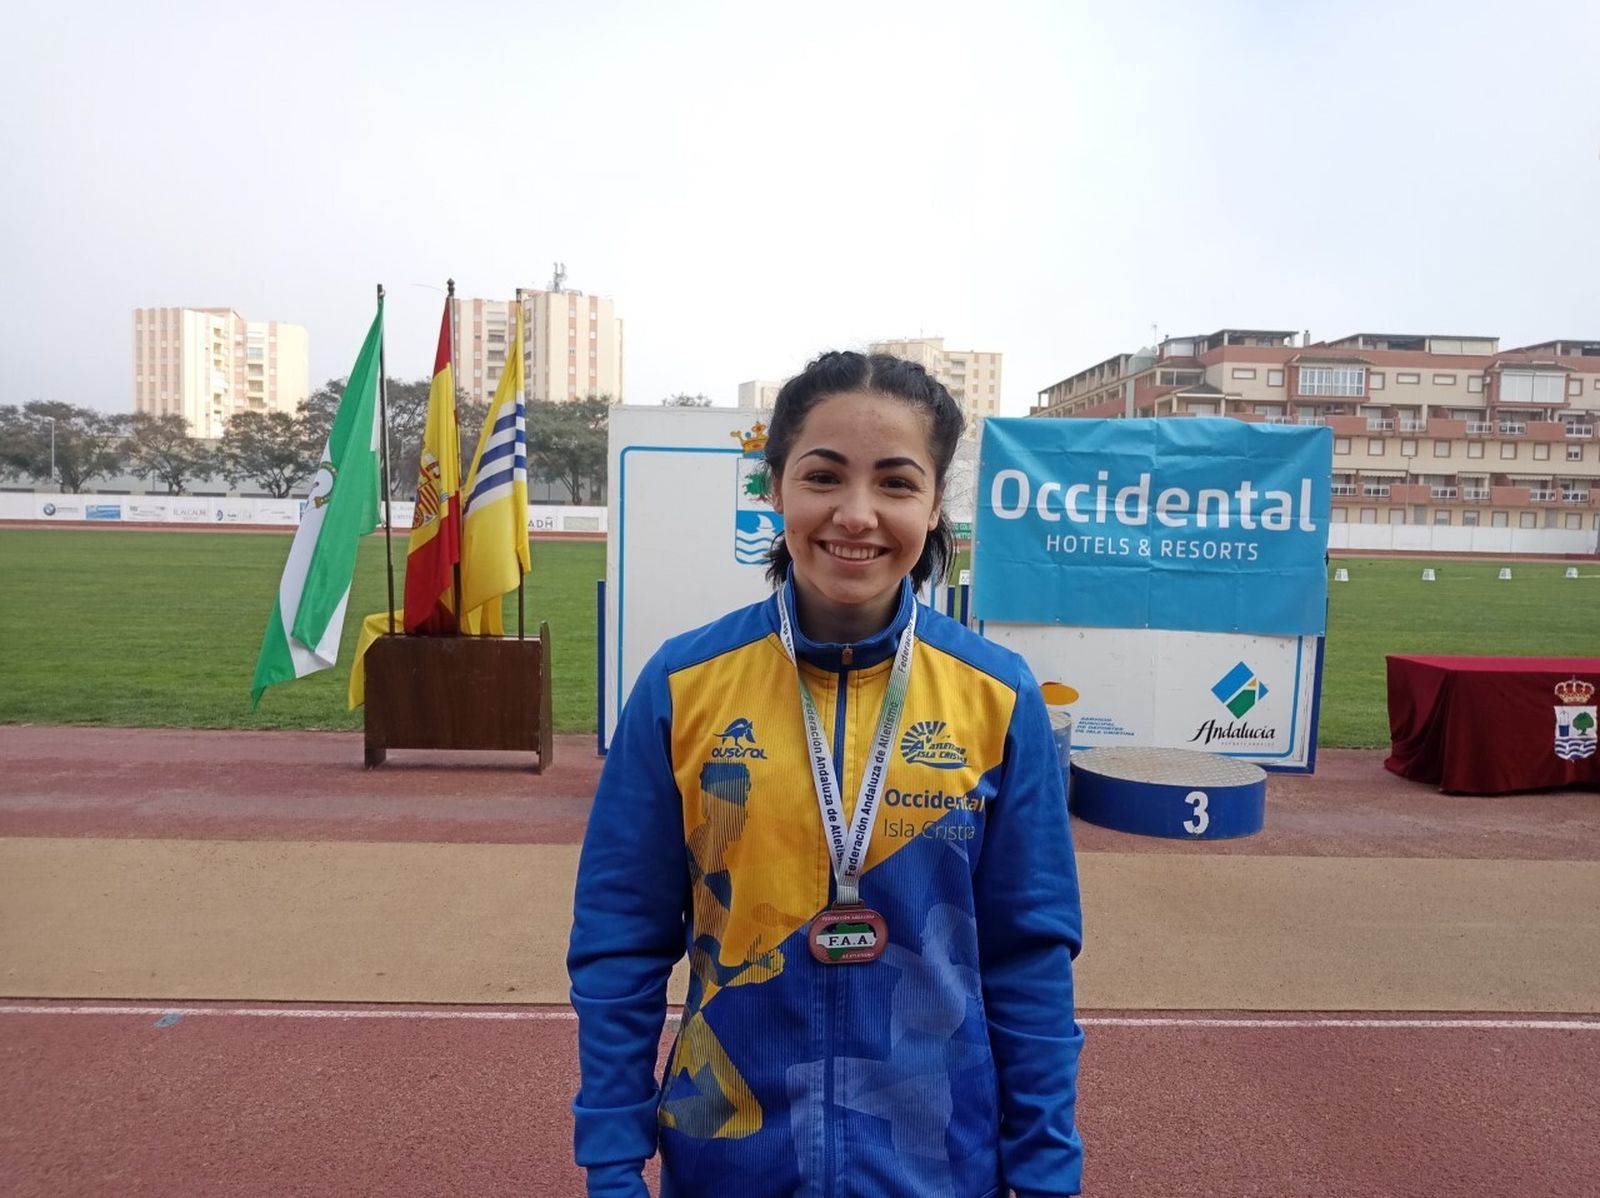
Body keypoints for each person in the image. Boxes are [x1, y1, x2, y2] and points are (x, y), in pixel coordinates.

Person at [568, 351, 1084, 1197]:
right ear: (775, 487)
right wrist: (613, 1166)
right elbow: (619, 945)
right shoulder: (681, 685)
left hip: (937, 1166)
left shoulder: (997, 695)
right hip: (726, 1163)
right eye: (823, 476)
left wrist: (1048, 1171)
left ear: (933, 503)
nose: (856, 514)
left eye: (895, 483)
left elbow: (1030, 960)